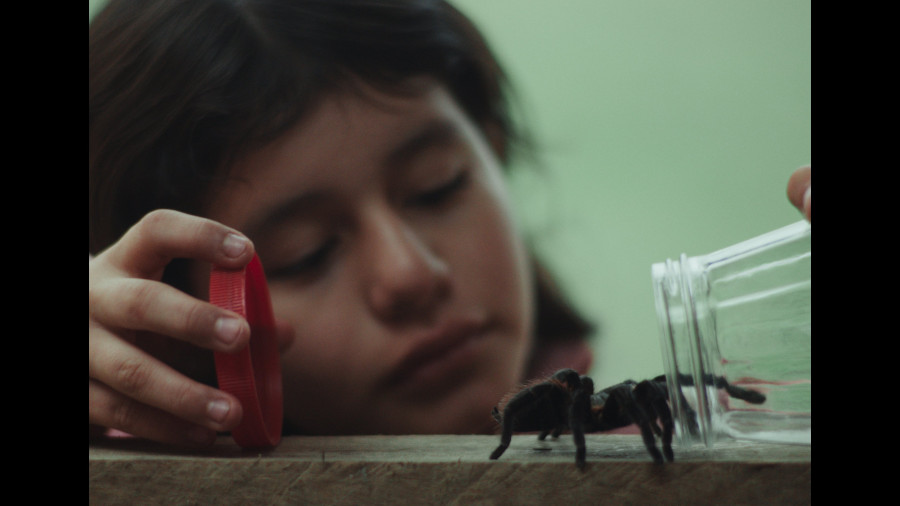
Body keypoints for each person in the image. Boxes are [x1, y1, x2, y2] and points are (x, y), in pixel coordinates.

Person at [89, 0, 809, 448]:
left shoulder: (694, 435)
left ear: (494, 154)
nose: (409, 275)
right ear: (168, 320)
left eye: (438, 188)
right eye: (304, 255)